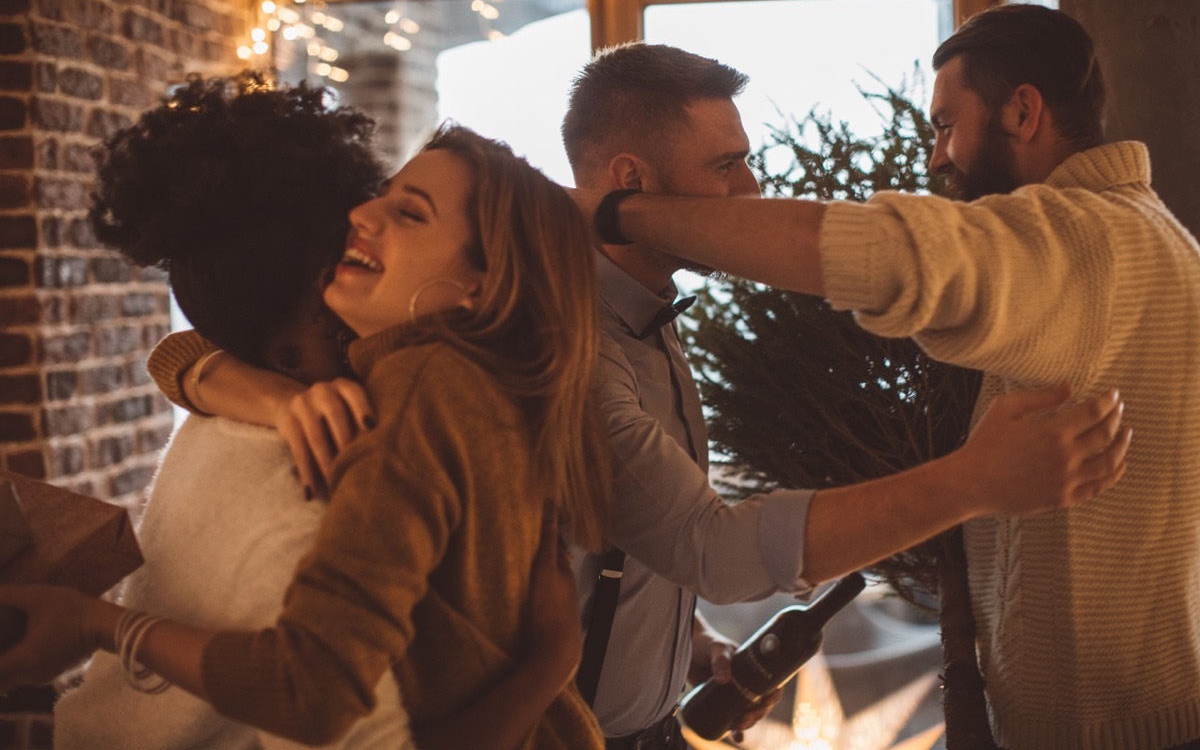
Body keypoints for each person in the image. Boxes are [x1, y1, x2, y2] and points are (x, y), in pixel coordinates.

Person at [145, 44, 1130, 750]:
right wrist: (973, 479)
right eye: (727, 165)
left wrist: (676, 647)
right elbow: (722, 548)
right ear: (628, 182)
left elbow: (618, 538)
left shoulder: (644, 315)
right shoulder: (548, 344)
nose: (752, 191)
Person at [571, 6, 1197, 750]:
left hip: (1104, 728)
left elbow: (890, 256)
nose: (937, 157)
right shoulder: (1142, 233)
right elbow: (678, 545)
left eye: (944, 125)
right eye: (726, 165)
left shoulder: (1085, 240)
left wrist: (618, 214)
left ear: (1023, 111)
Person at [0, 90, 609, 749]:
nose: (362, 216)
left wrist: (98, 624)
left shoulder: (406, 408)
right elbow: (177, 353)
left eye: (406, 212)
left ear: (481, 285)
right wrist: (272, 394)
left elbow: (315, 696)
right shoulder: (479, 385)